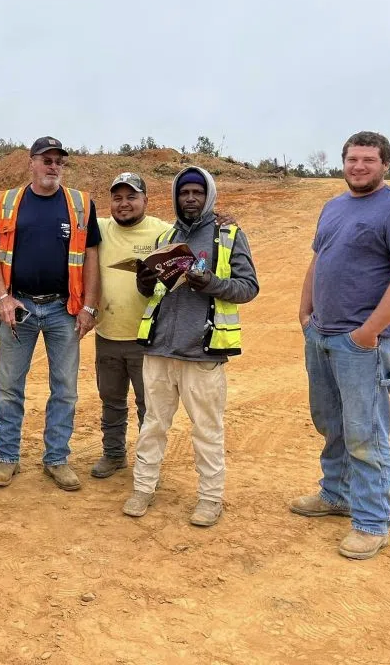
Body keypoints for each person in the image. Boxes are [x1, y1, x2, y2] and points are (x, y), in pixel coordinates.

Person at [292, 131, 390, 560]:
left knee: (365, 432)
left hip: (362, 344)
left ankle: (372, 521)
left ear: (385, 164)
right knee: (330, 422)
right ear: (343, 162)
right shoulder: (333, 206)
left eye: (369, 159)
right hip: (321, 333)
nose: (359, 166)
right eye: (353, 159)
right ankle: (336, 494)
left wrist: (368, 333)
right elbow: (318, 260)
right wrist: (305, 312)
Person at [123, 166, 259, 526]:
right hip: (159, 349)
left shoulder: (229, 235)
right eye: (184, 193)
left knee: (207, 429)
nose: (190, 198)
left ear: (208, 195)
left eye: (197, 192)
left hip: (202, 351)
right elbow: (155, 292)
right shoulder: (166, 237)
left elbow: (248, 287)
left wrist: (210, 282)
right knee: (153, 424)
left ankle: (210, 498)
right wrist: (144, 281)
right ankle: (143, 488)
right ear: (176, 197)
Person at [0, 136, 102, 491]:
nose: (53, 166)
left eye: (59, 161)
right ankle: (7, 457)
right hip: (18, 308)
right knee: (8, 386)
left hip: (63, 310)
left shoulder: (80, 204)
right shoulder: (7, 202)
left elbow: (91, 255)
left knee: (64, 388)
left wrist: (89, 306)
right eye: (46, 160)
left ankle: (57, 459)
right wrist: (3, 297)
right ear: (31, 163)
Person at [90, 173, 171, 478]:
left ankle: (148, 466)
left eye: (131, 197)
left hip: (147, 339)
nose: (123, 204)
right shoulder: (99, 229)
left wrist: (222, 219)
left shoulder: (163, 232)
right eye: (117, 198)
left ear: (146, 200)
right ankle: (113, 455)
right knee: (111, 400)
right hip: (107, 334)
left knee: (148, 406)